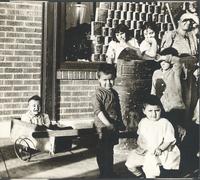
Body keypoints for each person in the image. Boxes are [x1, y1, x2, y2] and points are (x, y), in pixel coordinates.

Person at [125, 94, 180, 178]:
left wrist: (160, 148)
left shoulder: (164, 123)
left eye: (157, 110)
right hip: (145, 150)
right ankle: (140, 175)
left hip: (159, 151)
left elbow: (169, 139)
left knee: (151, 171)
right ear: (144, 111)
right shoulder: (143, 122)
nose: (154, 114)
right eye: (150, 111)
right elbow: (141, 137)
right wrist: (141, 145)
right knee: (130, 163)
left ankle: (150, 176)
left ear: (161, 110)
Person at [92, 63, 125, 178]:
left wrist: (120, 122)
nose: (108, 83)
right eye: (105, 80)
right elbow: (98, 111)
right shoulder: (98, 93)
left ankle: (109, 172)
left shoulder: (114, 93)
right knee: (102, 151)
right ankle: (103, 173)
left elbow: (117, 108)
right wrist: (108, 124)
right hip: (102, 127)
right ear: (99, 79)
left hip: (112, 126)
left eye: (111, 79)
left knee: (109, 150)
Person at [151, 48, 186, 143]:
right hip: (162, 108)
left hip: (175, 109)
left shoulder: (175, 71)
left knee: (176, 135)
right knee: (163, 134)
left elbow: (178, 60)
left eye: (165, 61)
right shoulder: (156, 73)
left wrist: (162, 57)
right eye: (161, 61)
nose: (162, 62)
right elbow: (153, 91)